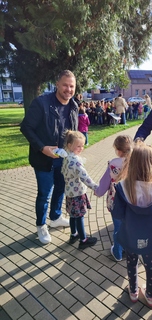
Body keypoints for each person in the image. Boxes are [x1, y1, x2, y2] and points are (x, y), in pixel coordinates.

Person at [20, 70, 79, 245]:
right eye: (65, 85)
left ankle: (55, 217)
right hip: (43, 159)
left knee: (60, 188)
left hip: (64, 159)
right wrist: (42, 148)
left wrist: (75, 147)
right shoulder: (42, 103)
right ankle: (41, 225)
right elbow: (26, 128)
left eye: (71, 86)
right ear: (57, 84)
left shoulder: (74, 105)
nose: (68, 89)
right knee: (44, 194)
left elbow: (74, 131)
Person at [112, 141, 152, 307]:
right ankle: (151, 296)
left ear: (132, 162)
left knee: (131, 263)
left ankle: (133, 292)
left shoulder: (123, 187)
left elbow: (117, 214)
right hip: (150, 235)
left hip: (130, 234)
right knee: (150, 265)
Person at [94, 135, 133, 261]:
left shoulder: (113, 164)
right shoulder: (135, 162)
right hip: (131, 201)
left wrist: (98, 192)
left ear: (118, 150)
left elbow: (105, 182)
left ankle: (117, 252)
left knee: (118, 227)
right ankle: (128, 248)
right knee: (128, 226)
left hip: (115, 201)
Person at [61, 130, 98, 249]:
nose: (81, 148)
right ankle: (83, 239)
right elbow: (85, 177)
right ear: (69, 145)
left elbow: (63, 171)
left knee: (73, 215)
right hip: (77, 193)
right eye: (78, 146)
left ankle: (74, 234)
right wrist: (95, 187)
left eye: (82, 145)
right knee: (80, 216)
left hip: (69, 192)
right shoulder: (76, 161)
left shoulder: (66, 157)